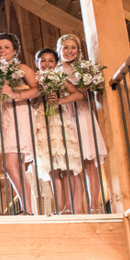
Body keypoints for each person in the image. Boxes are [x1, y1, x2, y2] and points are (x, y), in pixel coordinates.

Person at [57, 33, 108, 213]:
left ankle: (94, 204)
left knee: (88, 163)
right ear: (59, 50)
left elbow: (85, 93)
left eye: (73, 48)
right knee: (71, 164)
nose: (69, 51)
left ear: (79, 51)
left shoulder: (84, 69)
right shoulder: (56, 72)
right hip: (65, 116)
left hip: (82, 114)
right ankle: (73, 206)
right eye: (66, 47)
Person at [33, 48, 83, 214]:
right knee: (52, 170)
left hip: (58, 121)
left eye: (51, 61)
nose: (47, 64)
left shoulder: (59, 78)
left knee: (66, 167)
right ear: (37, 63)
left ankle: (69, 207)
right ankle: (59, 208)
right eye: (43, 60)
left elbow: (78, 94)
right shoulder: (34, 79)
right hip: (41, 119)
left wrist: (60, 100)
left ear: (56, 64)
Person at [0, 32, 39, 215]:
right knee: (14, 165)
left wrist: (16, 95)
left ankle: (27, 208)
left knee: (12, 164)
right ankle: (27, 208)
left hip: (19, 113)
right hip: (4, 116)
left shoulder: (22, 68)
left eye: (6, 47)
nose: (2, 51)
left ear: (14, 50)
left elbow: (37, 89)